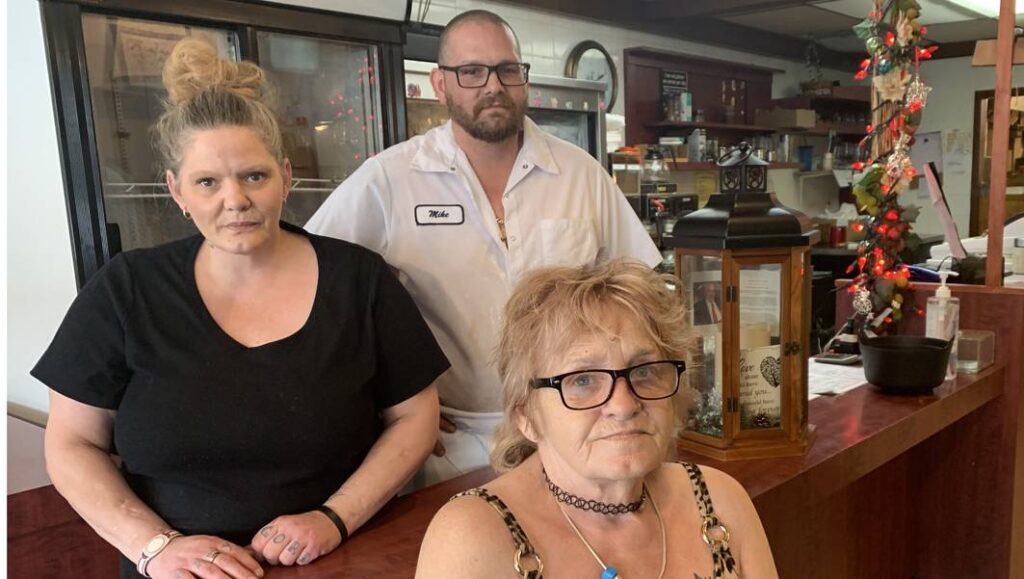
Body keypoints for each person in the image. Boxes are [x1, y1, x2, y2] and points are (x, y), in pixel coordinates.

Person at [34, 39, 448, 579]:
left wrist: (333, 518)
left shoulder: (359, 280)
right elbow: (71, 442)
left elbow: (416, 417)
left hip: (340, 558)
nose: (235, 200)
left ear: (286, 176)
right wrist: (155, 547)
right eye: (208, 182)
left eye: (254, 176)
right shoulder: (125, 290)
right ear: (177, 190)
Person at [305, 10, 662, 485]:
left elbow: (641, 296)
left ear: (523, 80)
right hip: (450, 444)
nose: (492, 85)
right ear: (440, 83)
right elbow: (313, 282)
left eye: (507, 70)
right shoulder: (391, 179)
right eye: (471, 72)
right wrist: (382, 399)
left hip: (572, 430)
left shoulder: (581, 175)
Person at [416, 260, 778, 579]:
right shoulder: (473, 537)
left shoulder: (718, 501)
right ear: (526, 416)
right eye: (583, 380)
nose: (623, 405)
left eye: (645, 371)